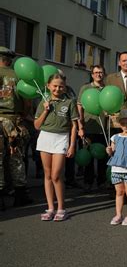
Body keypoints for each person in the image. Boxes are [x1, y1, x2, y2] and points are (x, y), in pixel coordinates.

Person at [34, 74, 79, 221]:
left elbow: (74, 126)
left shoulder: (70, 102)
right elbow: (36, 125)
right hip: (45, 138)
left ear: (65, 87)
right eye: (55, 85)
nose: (57, 88)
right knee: (47, 175)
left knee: (56, 175)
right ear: (48, 86)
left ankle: (61, 208)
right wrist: (46, 110)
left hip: (61, 139)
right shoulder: (44, 101)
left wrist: (72, 145)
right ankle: (50, 208)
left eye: (60, 86)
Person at [0, 47, 32, 206]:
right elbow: (28, 102)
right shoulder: (19, 76)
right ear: (10, 60)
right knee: (17, 158)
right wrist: (23, 115)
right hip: (16, 121)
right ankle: (20, 195)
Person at [77, 65, 108, 191]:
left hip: (103, 129)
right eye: (95, 72)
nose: (98, 74)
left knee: (103, 157)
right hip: (88, 128)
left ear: (104, 74)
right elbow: (79, 107)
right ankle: (88, 181)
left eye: (100, 72)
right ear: (92, 74)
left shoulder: (107, 89)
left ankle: (102, 181)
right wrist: (80, 126)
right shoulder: (85, 88)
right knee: (88, 157)